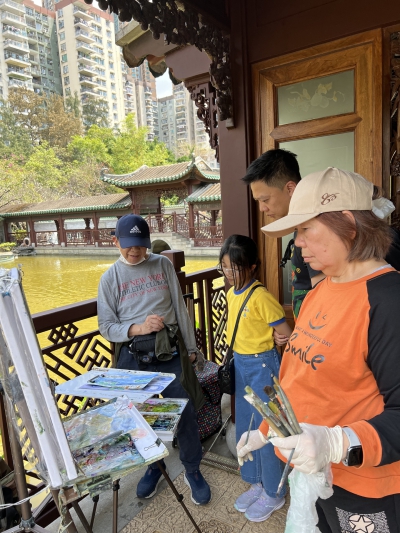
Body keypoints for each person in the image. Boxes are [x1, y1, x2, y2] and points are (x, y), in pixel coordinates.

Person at [237, 168, 400, 532]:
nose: (297, 243)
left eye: (306, 229)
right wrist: (267, 429)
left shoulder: (388, 302)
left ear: (349, 224)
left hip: (364, 484)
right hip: (313, 470)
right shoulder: (319, 291)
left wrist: (336, 443)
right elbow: (298, 379)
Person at [97, 214, 211, 505]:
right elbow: (106, 327)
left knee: (184, 410)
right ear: (116, 242)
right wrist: (139, 328)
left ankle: (192, 469)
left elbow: (180, 308)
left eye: (141, 245)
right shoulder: (110, 278)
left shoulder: (162, 265)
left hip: (169, 351)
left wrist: (191, 348)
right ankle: (154, 467)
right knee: (140, 417)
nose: (135, 251)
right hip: (133, 356)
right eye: (129, 245)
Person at [242, 149, 399, 324]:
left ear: (348, 225)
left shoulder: (384, 299)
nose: (299, 242)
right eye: (299, 230)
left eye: (265, 200)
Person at [218, 235, 292, 522]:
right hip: (240, 364)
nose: (229, 273)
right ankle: (256, 481)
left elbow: (286, 333)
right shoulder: (230, 293)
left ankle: (274, 492)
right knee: (247, 425)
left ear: (252, 266)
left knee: (269, 428)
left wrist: (279, 337)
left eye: (235, 268)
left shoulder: (262, 297)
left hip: (263, 366)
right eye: (225, 266)